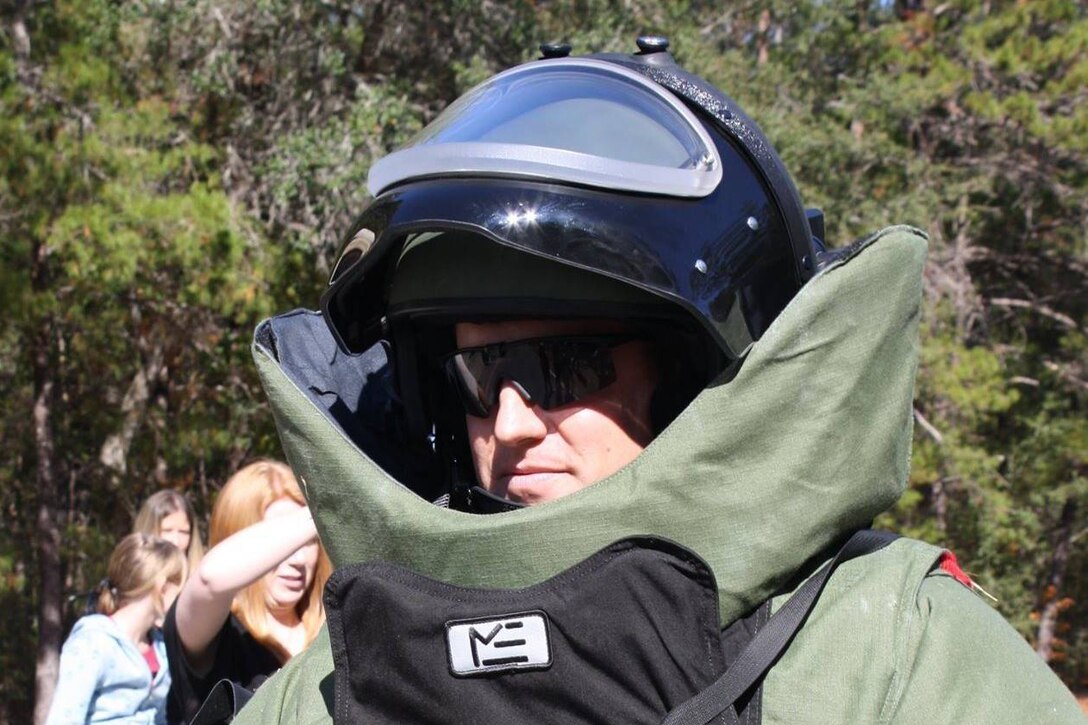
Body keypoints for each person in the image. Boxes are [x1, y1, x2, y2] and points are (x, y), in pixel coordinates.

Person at [235, 37, 1084, 724]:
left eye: (560, 367)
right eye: (473, 373)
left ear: (687, 378)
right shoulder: (341, 677)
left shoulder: (887, 645)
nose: (510, 422)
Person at [162, 460, 331, 724]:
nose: (297, 559)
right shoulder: (218, 635)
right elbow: (211, 578)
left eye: (310, 542)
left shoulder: (332, 630)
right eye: (284, 541)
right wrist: (324, 510)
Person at [46, 533, 185, 725]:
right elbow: (65, 718)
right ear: (162, 588)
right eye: (180, 588)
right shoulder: (93, 643)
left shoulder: (162, 648)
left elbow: (160, 718)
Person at [134, 489, 206, 575]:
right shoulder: (129, 579)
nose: (176, 541)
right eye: (167, 531)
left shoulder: (200, 579)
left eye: (184, 532)